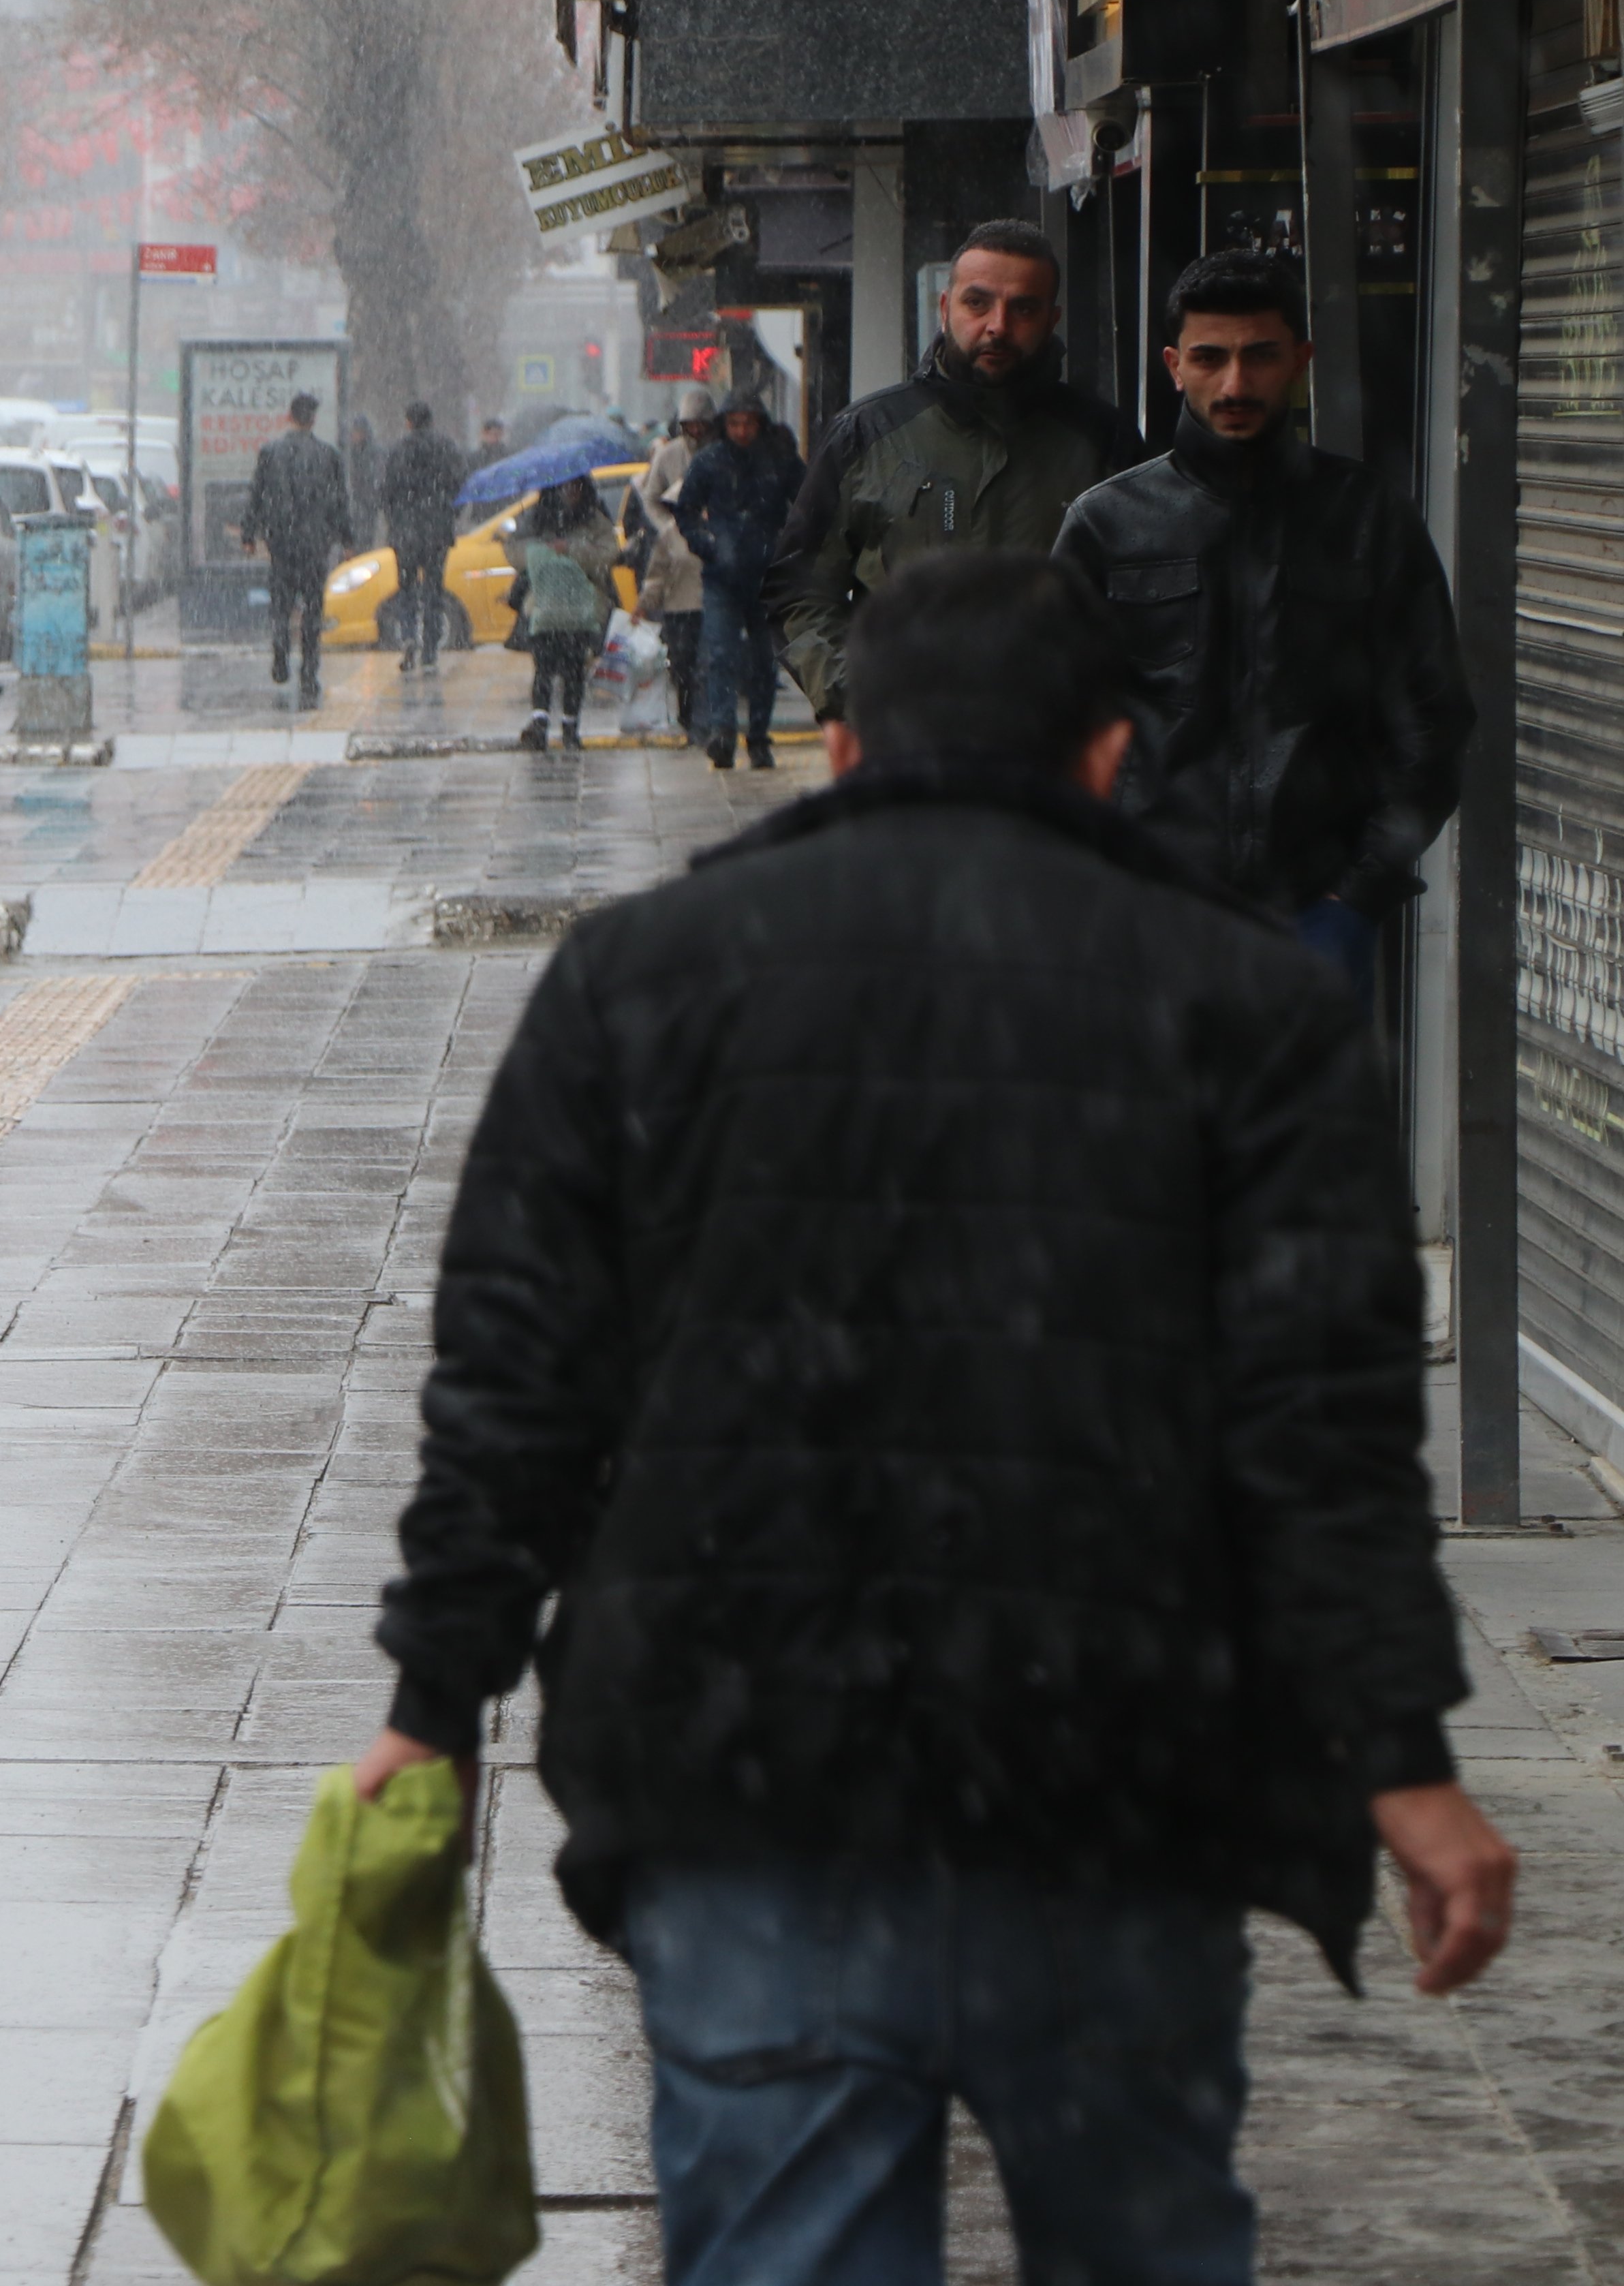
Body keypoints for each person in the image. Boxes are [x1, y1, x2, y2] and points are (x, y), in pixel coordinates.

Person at [358, 551, 1512, 2286]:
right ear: (1114, 754)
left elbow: (515, 1382)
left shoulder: (641, 980)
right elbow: (1323, 1430)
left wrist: (432, 1705)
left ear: (840, 748)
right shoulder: (1249, 1005)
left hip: (754, 1788)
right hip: (1119, 1781)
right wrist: (1402, 1761)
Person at [1054, 249, 1467, 1005]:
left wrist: (1362, 890)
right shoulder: (1107, 525)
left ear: (1301, 360)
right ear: (1175, 365)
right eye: (1210, 358)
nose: (1236, 384)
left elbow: (1435, 718)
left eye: (1260, 356)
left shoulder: (1369, 518)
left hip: (1318, 918)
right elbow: (1050, 721)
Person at [766, 219, 1142, 720]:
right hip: (906, 749)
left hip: (1057, 750)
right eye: (977, 303)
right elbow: (800, 588)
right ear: (945, 308)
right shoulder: (868, 435)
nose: (998, 326)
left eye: (1023, 308)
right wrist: (856, 697)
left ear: (1052, 319)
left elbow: (1148, 598)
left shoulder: (1103, 441)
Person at [672, 387, 799, 772]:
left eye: (748, 424)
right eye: (735, 424)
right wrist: (707, 545)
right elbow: (686, 511)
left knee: (763, 663)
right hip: (722, 577)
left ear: (760, 424)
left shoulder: (779, 461)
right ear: (724, 426)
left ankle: (758, 738)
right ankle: (723, 734)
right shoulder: (710, 462)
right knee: (721, 657)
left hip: (767, 578)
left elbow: (811, 501)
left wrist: (787, 547)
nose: (742, 431)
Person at [236, 391, 353, 697]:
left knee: (281, 605)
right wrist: (347, 539)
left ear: (289, 417)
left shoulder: (271, 453)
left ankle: (280, 654)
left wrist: (249, 534)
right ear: (313, 419)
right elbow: (340, 502)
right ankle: (309, 673)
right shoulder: (329, 456)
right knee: (313, 610)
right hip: (316, 546)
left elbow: (257, 496)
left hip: (282, 544)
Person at [508, 472, 618, 750]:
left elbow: (607, 556)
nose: (570, 492)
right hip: (544, 605)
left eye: (576, 486)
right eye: (564, 487)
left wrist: (571, 550)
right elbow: (516, 552)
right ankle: (540, 722)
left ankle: (571, 727)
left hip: (581, 608)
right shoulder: (536, 518)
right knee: (543, 666)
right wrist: (542, 552)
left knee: (574, 670)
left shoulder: (595, 520)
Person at [625, 391, 709, 732]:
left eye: (701, 423)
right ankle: (691, 718)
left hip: (711, 592)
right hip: (679, 599)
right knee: (684, 662)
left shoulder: (721, 455)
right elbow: (650, 499)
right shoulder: (669, 456)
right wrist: (669, 527)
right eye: (689, 424)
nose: (696, 430)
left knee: (711, 661)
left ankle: (708, 721)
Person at [376, 399, 467, 675]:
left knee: (406, 588)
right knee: (434, 590)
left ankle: (407, 633)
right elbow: (460, 485)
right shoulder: (447, 449)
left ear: (408, 422)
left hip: (405, 533)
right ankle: (429, 651)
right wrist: (449, 514)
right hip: (437, 531)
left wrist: (395, 520)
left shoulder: (397, 451)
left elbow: (385, 491)